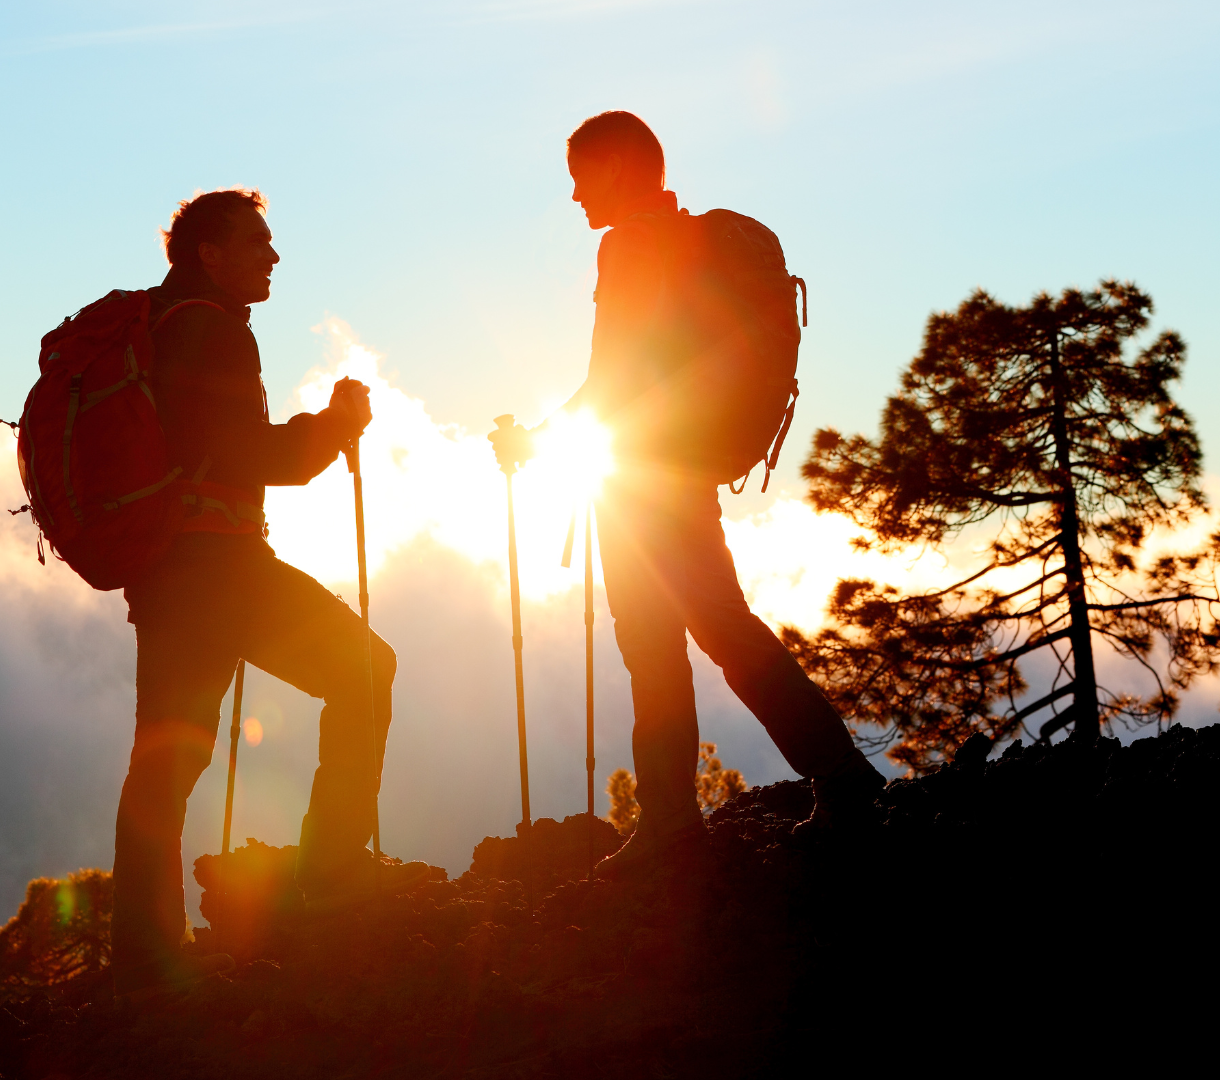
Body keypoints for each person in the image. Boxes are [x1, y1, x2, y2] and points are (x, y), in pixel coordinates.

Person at [490, 112, 885, 879]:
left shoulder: (630, 245)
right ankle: (785, 788)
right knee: (708, 630)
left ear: (615, 168)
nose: (573, 195)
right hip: (681, 467)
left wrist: (534, 441)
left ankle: (716, 808)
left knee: (672, 641)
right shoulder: (687, 242)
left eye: (580, 176)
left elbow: (613, 376)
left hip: (644, 480)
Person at [113, 188, 432, 998]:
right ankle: (330, 877)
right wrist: (334, 425)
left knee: (167, 758)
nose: (273, 257)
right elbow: (257, 457)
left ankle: (144, 955)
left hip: (168, 575)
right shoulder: (211, 331)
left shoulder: (161, 326)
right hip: (219, 570)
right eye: (256, 242)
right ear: (210, 254)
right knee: (365, 670)